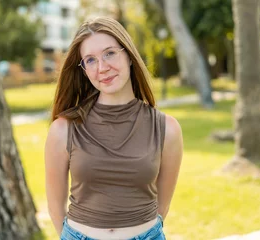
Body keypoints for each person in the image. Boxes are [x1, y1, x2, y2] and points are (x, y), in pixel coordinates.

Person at [45, 16, 183, 240]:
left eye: (110, 53)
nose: (102, 67)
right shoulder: (64, 129)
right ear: (84, 70)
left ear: (128, 54)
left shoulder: (167, 129)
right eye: (90, 60)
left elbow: (162, 207)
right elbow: (54, 208)